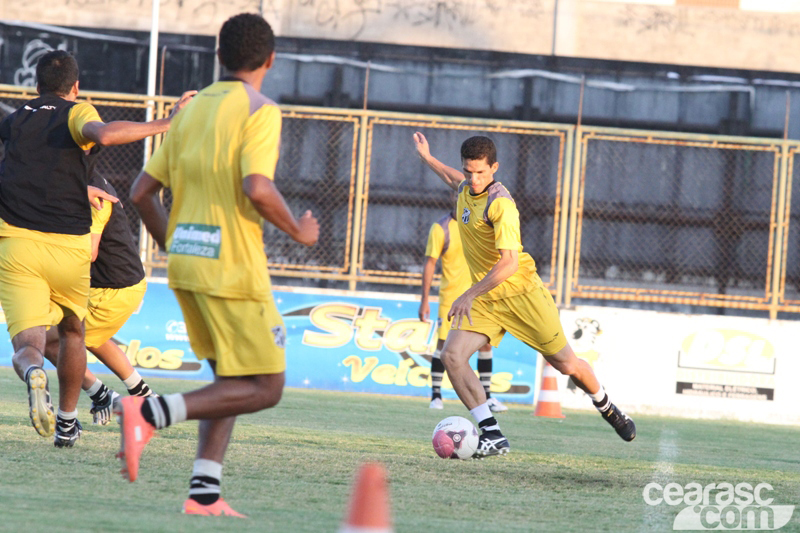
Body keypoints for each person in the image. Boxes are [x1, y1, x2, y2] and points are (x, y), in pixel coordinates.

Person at [120, 13, 319, 517]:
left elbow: (141, 192)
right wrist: (299, 230)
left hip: (186, 264)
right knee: (266, 386)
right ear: (270, 61)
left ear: (218, 55)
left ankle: (204, 493)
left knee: (229, 381)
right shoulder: (259, 109)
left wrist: (178, 245)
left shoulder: (188, 111)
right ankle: (150, 413)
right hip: (232, 267)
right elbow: (258, 186)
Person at [0, 50, 193, 448]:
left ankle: (35, 373)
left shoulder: (15, 121)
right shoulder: (75, 112)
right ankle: (68, 421)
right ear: (75, 87)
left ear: (34, 87)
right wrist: (169, 123)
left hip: (17, 245)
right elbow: (104, 134)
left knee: (29, 346)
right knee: (73, 332)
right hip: (69, 247)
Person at [413, 132, 635, 457]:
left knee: (567, 365)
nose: (474, 180)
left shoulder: (500, 204)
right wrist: (427, 158)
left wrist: (468, 294)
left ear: (495, 168)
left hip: (522, 296)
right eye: (469, 171)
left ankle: (607, 406)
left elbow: (508, 263)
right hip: (488, 299)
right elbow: (452, 178)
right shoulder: (465, 188)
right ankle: (492, 436)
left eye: (481, 173)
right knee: (452, 356)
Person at [41, 172, 155, 426]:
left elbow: (89, 252)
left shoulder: (95, 192)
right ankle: (145, 397)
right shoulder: (70, 181)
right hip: (108, 284)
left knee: (50, 341)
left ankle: (101, 395)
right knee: (94, 339)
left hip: (114, 288)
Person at [419, 191, 507, 413]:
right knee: (443, 344)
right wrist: (424, 300)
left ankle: (487, 397)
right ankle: (436, 395)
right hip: (452, 299)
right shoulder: (441, 228)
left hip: (479, 297)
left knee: (485, 343)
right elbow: (430, 264)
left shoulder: (479, 225)